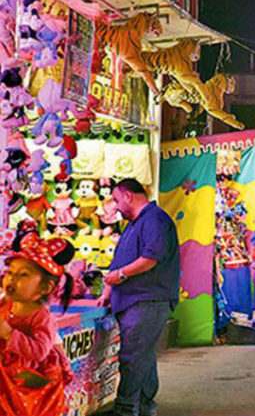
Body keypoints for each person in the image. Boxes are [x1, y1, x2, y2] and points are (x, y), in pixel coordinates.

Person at [102, 178, 180, 416]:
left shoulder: (154, 219)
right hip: (133, 300)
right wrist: (108, 290)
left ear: (128, 195)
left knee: (132, 358)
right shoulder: (134, 224)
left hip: (146, 301)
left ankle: (126, 409)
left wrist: (121, 275)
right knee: (143, 356)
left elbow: (151, 257)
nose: (115, 206)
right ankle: (145, 405)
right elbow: (120, 262)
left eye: (116, 200)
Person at [0, 233, 74, 416]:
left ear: (45, 288)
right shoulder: (5, 303)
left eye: (23, 275)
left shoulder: (41, 316)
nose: (11, 279)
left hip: (28, 383)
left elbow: (40, 351)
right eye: (9, 273)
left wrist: (10, 334)